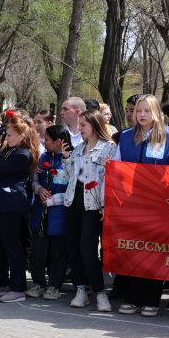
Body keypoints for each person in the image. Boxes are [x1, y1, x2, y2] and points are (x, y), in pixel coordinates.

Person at [112, 95, 169, 317]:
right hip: (131, 205)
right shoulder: (124, 137)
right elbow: (117, 171)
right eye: (138, 111)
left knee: (154, 253)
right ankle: (131, 298)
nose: (141, 115)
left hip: (158, 206)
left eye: (146, 111)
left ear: (156, 112)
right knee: (132, 251)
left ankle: (151, 300)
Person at [0, 115, 38, 302]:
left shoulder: (23, 154)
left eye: (10, 135)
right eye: (6, 134)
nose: (7, 138)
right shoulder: (8, 150)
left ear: (22, 136)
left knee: (12, 246)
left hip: (12, 204)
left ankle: (18, 287)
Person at [62, 109, 116, 311]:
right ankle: (81, 289)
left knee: (88, 250)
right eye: (79, 125)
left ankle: (100, 292)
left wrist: (104, 204)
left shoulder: (108, 148)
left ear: (95, 125)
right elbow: (71, 176)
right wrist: (67, 158)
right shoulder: (77, 149)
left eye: (83, 125)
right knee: (73, 249)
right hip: (73, 201)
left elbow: (109, 178)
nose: (80, 129)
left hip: (93, 205)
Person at [27, 125, 71, 300]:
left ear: (59, 142)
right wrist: (39, 190)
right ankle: (38, 283)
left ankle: (54, 286)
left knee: (58, 253)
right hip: (41, 211)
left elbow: (74, 186)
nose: (44, 143)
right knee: (38, 251)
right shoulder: (43, 157)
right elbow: (34, 179)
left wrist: (55, 199)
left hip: (60, 213)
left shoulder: (70, 159)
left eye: (47, 140)